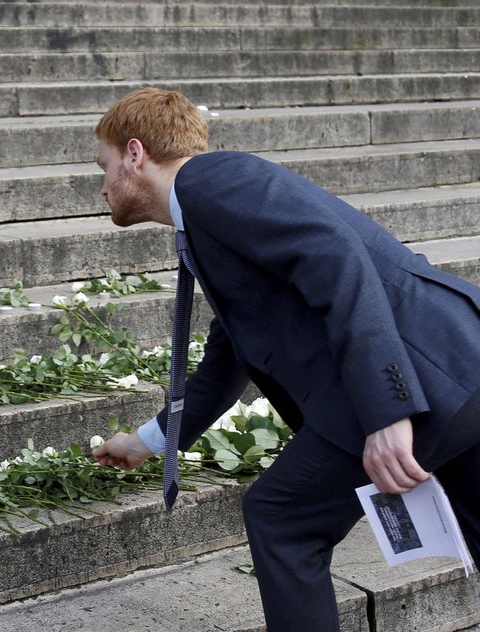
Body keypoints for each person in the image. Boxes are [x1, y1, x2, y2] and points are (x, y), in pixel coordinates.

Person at [90, 87, 480, 631]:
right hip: (458, 370)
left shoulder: (210, 180)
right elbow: (231, 355)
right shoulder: (207, 217)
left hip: (420, 376)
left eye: (104, 166)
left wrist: (386, 411)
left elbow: (337, 261)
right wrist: (149, 441)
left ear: (135, 155)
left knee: (283, 519)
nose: (103, 186)